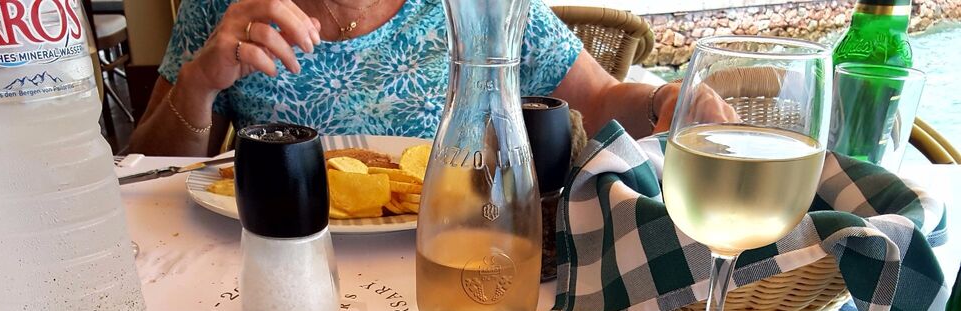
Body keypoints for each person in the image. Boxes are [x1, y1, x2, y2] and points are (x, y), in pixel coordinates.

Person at [129, 0, 710, 156]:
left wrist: (666, 98)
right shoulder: (226, 7)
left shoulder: (479, 4)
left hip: (447, 257)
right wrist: (199, 83)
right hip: (274, 257)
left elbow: (601, 98)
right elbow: (149, 170)